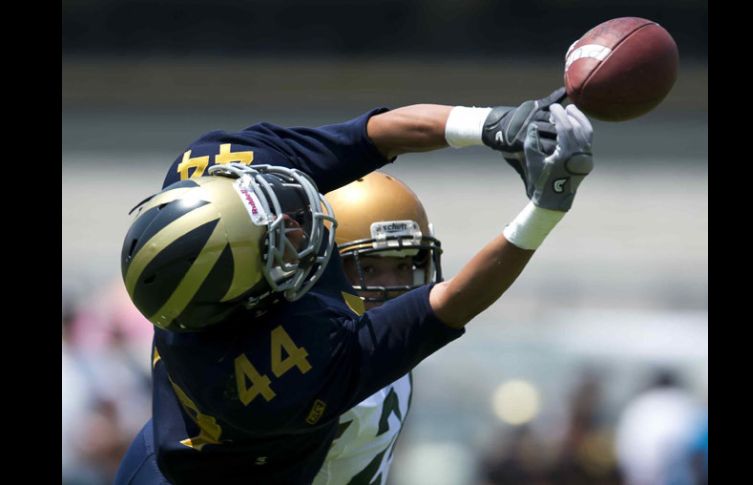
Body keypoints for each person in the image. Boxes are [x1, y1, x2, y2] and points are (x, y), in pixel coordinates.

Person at [115, 88, 594, 484]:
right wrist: (545, 208)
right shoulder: (280, 373)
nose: (301, 220)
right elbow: (450, 303)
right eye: (278, 242)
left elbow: (371, 135)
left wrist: (495, 123)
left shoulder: (215, 167)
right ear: (248, 299)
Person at [313, 172, 442, 484]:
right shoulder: (314, 365)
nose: (392, 288)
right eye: (368, 268)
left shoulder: (391, 348)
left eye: (403, 266)